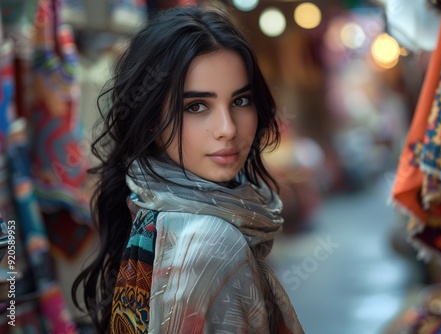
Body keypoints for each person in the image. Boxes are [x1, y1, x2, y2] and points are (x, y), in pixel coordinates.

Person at [72, 5, 304, 334]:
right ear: (152, 120)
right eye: (196, 106)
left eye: (240, 101)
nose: (228, 129)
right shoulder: (210, 244)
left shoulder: (148, 204)